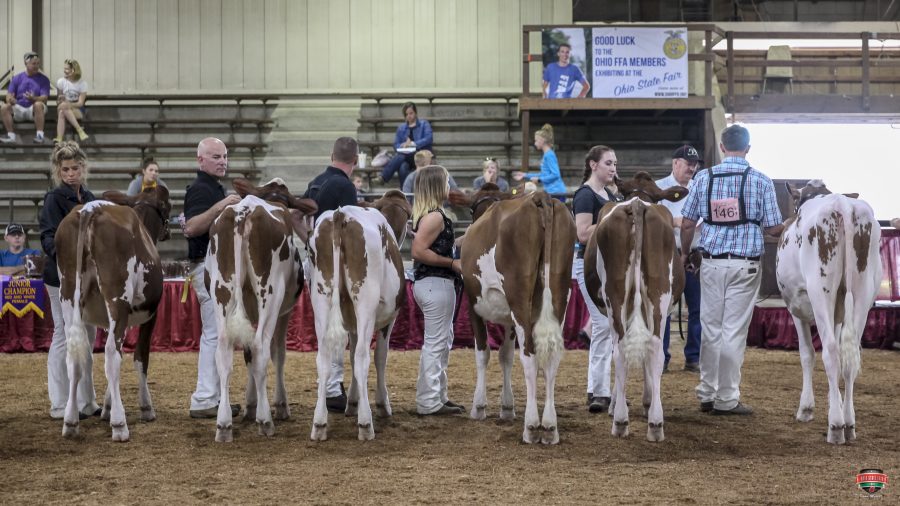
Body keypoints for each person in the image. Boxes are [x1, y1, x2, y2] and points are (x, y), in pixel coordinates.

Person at [680, 125, 784, 416]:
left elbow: (687, 223)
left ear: (722, 147)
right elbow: (773, 228)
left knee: (711, 328)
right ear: (748, 148)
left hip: (711, 263)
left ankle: (707, 392)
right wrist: (792, 223)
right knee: (733, 332)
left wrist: (684, 253)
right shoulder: (761, 180)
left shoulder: (703, 178)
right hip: (745, 265)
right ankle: (726, 399)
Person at [39, 141, 100, 419]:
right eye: (65, 169)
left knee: (88, 334)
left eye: (75, 168)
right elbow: (47, 238)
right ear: (58, 171)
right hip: (60, 277)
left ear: (83, 168)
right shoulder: (54, 199)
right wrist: (69, 259)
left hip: (88, 278)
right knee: (64, 334)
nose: (71, 174)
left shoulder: (90, 197)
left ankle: (86, 401)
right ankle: (60, 403)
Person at [183, 137, 242, 419]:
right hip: (206, 267)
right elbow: (192, 227)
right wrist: (223, 205)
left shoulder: (212, 187)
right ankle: (204, 398)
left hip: (214, 268)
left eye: (225, 156)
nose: (222, 162)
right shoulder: (200, 189)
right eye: (216, 157)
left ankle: (213, 397)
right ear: (201, 160)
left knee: (219, 333)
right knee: (214, 333)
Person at [301, 137, 361, 412]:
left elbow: (295, 216)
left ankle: (329, 384)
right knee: (339, 321)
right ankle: (332, 387)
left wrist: (310, 241)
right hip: (337, 263)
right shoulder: (345, 187)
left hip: (316, 261)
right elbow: (350, 229)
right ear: (355, 161)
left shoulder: (316, 182)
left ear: (331, 155)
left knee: (325, 322)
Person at [411, 165, 464, 416]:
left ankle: (438, 396)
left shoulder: (431, 215)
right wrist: (452, 263)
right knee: (436, 344)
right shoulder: (435, 217)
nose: (449, 186)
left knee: (442, 342)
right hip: (436, 284)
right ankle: (428, 401)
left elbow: (441, 246)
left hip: (433, 285)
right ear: (436, 186)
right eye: (446, 182)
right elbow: (418, 251)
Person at [572, 145, 620, 414]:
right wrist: (614, 219)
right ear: (593, 165)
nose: (613, 168)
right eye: (608, 163)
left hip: (608, 266)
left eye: (614, 164)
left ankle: (597, 389)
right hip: (588, 266)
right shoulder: (585, 194)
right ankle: (600, 392)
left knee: (606, 325)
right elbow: (581, 234)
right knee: (602, 324)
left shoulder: (610, 194)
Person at [656, 145, 703, 374]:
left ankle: (693, 357)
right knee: (664, 307)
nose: (692, 168)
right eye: (688, 164)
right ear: (676, 163)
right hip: (666, 253)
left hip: (694, 254)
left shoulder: (700, 187)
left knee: (698, 308)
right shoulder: (658, 188)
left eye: (694, 164)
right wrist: (674, 221)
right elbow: (652, 219)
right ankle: (661, 357)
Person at [1, 51, 51, 144]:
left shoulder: (44, 79)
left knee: (38, 104)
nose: (36, 66)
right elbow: (8, 96)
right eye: (33, 64)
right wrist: (11, 100)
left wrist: (34, 98)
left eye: (38, 63)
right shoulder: (17, 78)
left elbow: (44, 98)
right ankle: (11, 136)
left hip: (34, 110)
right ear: (26, 63)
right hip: (19, 108)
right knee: (4, 107)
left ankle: (40, 136)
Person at [379, 102, 433, 186]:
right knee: (402, 167)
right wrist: (402, 145)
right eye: (406, 114)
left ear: (415, 113)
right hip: (406, 157)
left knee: (401, 156)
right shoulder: (401, 128)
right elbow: (395, 144)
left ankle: (383, 176)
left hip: (420, 155)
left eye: (411, 113)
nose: (409, 116)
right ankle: (405, 192)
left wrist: (412, 144)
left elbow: (428, 139)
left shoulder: (424, 124)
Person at [512, 124, 567, 197]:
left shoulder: (549, 155)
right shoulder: (546, 155)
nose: (535, 143)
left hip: (556, 192)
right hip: (551, 192)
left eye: (536, 141)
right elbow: (544, 175)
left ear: (542, 140)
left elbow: (556, 174)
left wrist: (539, 180)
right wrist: (525, 175)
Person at [54, 58, 89, 143]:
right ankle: (80, 130)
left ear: (73, 70)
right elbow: (58, 101)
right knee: (63, 107)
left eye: (67, 69)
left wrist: (69, 104)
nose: (64, 71)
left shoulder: (82, 83)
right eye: (64, 68)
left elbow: (80, 103)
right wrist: (60, 100)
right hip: (63, 105)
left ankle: (59, 138)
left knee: (62, 111)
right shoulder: (61, 82)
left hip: (77, 108)